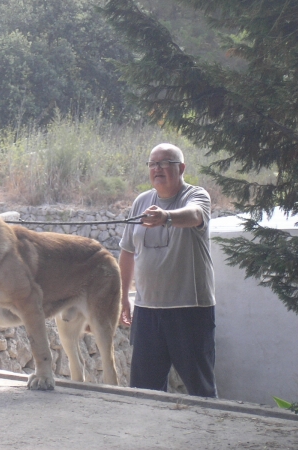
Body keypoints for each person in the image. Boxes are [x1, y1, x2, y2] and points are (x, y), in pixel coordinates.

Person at [118, 143, 217, 398]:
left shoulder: (196, 196)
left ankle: (207, 436)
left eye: (164, 163)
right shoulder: (141, 201)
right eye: (152, 164)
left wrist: (166, 217)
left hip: (189, 310)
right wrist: (123, 298)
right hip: (147, 310)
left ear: (181, 168)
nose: (157, 168)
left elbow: (195, 215)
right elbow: (127, 251)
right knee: (143, 392)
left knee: (201, 390)